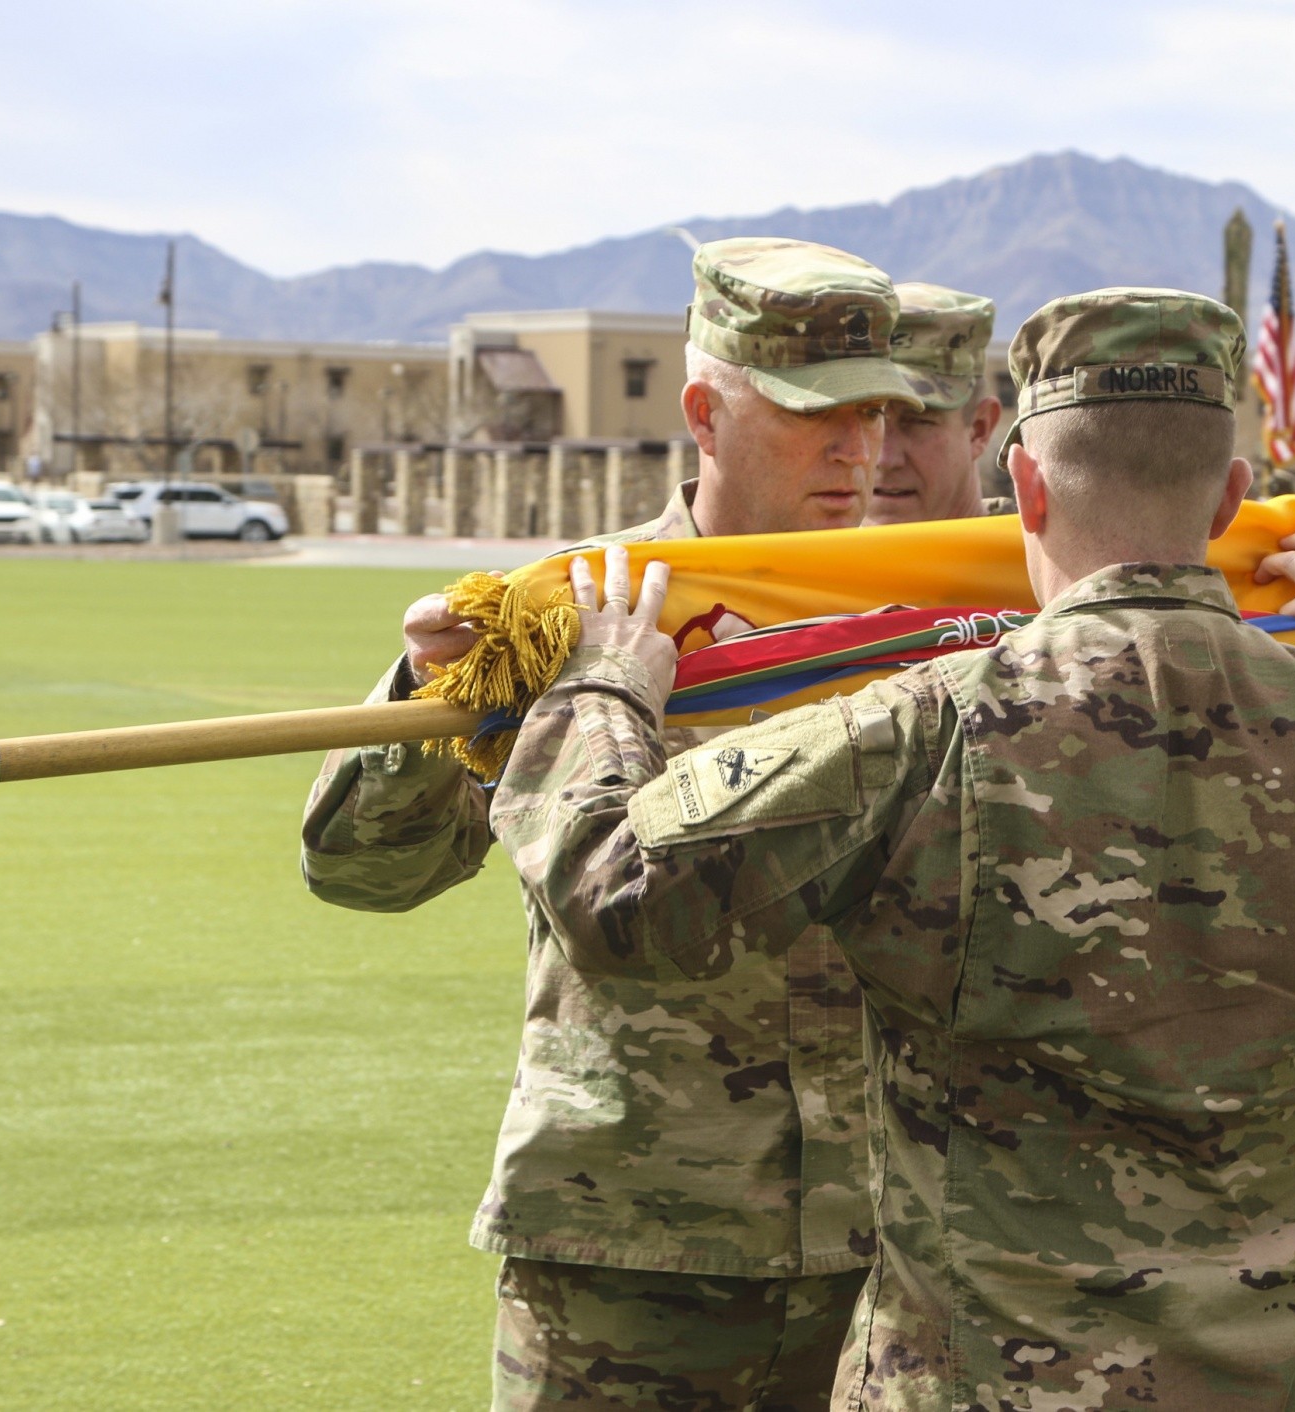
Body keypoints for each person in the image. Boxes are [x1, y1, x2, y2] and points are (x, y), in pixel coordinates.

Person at [487, 287, 1295, 1411]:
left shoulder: (920, 729)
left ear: (1023, 488)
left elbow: (615, 891)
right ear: (1230, 498)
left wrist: (601, 689)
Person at [302, 237, 928, 1410]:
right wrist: (422, 704)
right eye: (816, 414)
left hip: (894, 1256)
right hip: (633, 1249)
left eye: (880, 412)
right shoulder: (570, 612)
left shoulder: (932, 617)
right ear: (704, 410)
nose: (863, 449)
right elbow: (357, 869)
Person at [866, 282, 1009, 524]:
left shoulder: (1024, 559)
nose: (885, 460)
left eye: (917, 421)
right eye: (868, 416)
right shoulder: (810, 559)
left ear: (979, 428)